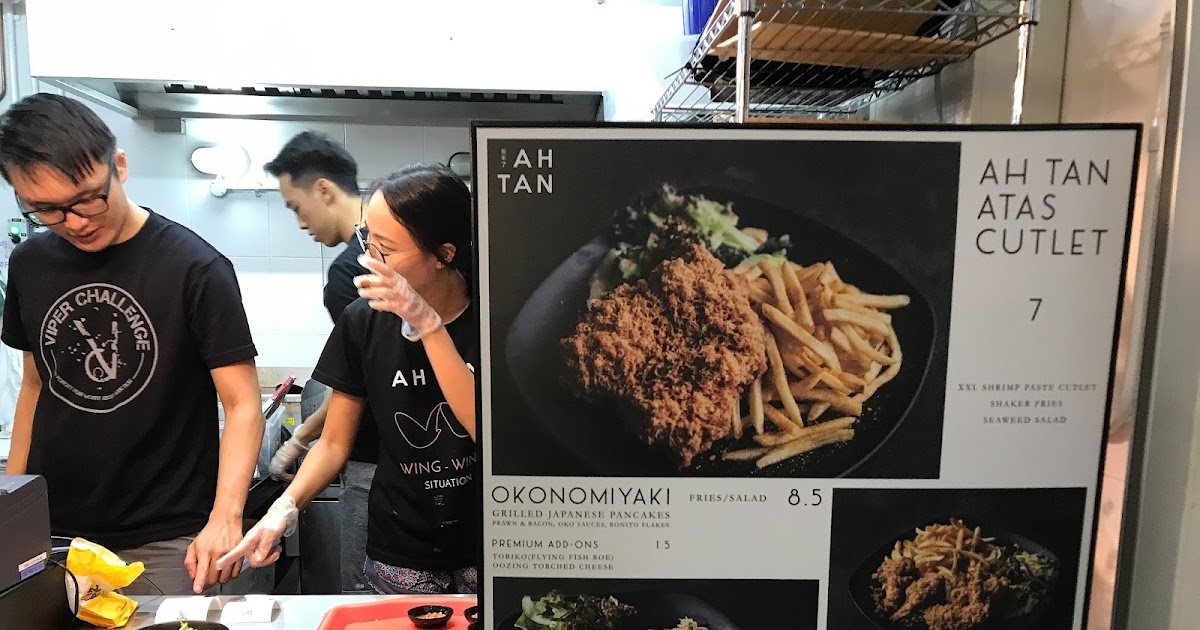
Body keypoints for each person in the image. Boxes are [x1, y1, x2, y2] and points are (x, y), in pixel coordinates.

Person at [0, 93, 264, 596]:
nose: (75, 222)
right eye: (47, 211)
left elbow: (242, 401)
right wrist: (13, 512)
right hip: (56, 539)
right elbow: (34, 388)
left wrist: (226, 518)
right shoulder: (30, 264)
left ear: (117, 166)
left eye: (86, 199)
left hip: (167, 541)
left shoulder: (195, 268)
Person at [218, 164, 478, 594]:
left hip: (486, 540)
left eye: (386, 251)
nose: (371, 261)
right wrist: (283, 510)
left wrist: (428, 325)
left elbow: (485, 431)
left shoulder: (491, 318)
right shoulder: (364, 321)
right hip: (401, 546)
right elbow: (336, 442)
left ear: (443, 254)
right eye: (367, 242)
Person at [260, 130, 379, 592]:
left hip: (375, 459)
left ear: (324, 189)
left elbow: (362, 382)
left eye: (295, 206)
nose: (299, 221)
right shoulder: (407, 254)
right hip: (443, 459)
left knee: (367, 598)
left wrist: (301, 438)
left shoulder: (351, 272)